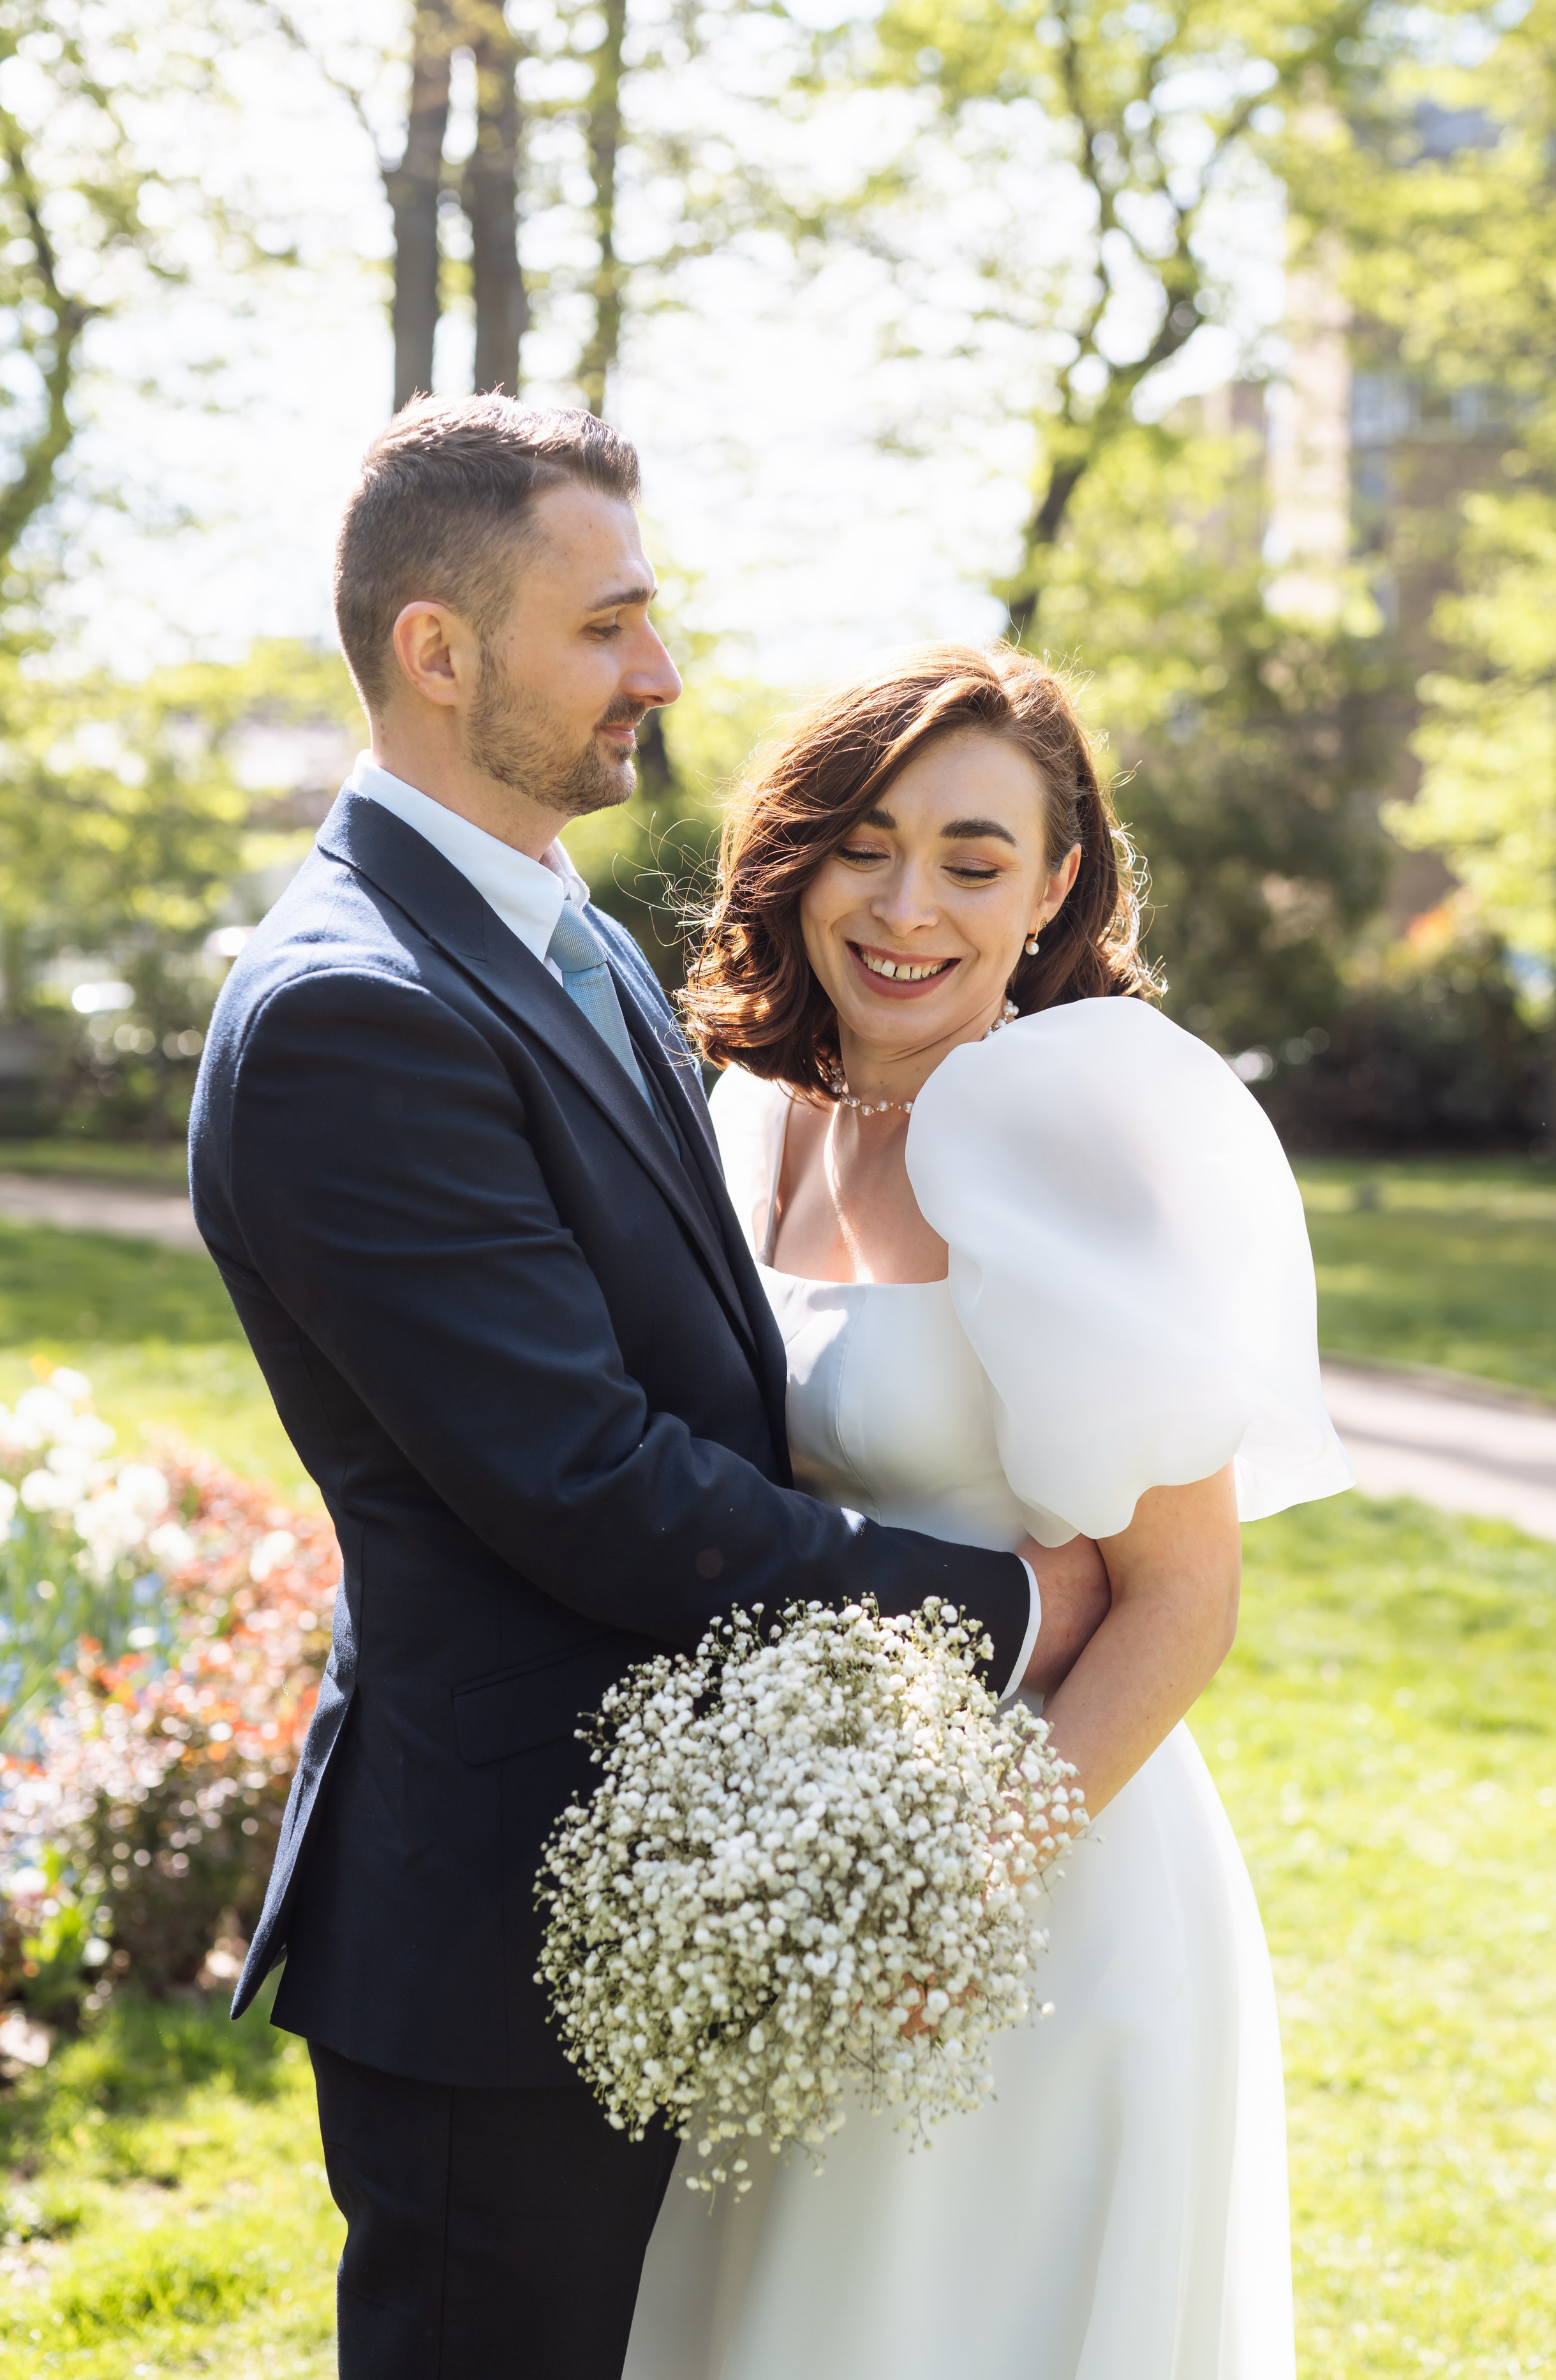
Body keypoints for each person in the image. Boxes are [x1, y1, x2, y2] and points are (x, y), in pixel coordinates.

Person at [188, 397, 1105, 2380]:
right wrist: (1012, 1604)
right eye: (606, 626)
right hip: (501, 1932)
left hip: (692, 1874)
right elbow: (588, 1481)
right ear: (439, 651)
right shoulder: (357, 1009)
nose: (662, 672)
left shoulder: (569, 942)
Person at [621, 644, 1353, 2380]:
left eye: (973, 860)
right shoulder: (750, 1115)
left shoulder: (1081, 1137)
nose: (907, 909)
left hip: (1045, 1889)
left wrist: (946, 1895)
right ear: (798, 857)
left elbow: (1181, 1601)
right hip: (802, 1860)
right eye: (867, 846)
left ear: (1055, 888)